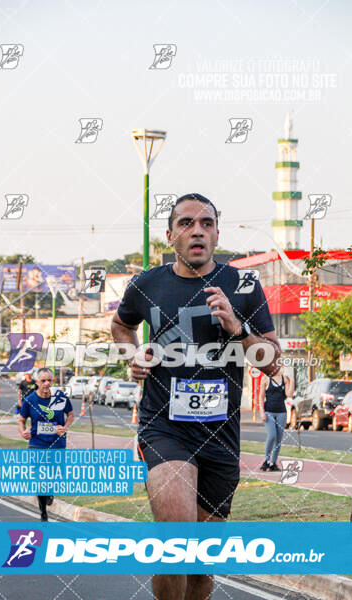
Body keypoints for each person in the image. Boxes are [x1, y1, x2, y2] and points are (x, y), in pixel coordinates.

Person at [111, 193, 281, 600]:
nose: (197, 230)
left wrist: (238, 329)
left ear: (218, 234)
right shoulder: (146, 284)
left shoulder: (243, 284)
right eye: (186, 223)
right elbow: (120, 326)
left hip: (220, 435)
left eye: (206, 222)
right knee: (175, 541)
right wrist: (131, 354)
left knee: (203, 566)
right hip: (164, 426)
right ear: (170, 235)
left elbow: (272, 361)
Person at [19, 368, 74, 521]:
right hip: (37, 443)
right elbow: (21, 420)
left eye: (49, 380)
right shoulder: (30, 400)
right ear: (37, 382)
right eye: (43, 381)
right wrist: (23, 432)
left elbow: (70, 414)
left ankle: (50, 491)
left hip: (57, 444)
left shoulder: (60, 397)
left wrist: (65, 427)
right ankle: (43, 512)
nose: (47, 383)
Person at [259, 367, 294, 471]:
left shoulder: (285, 379)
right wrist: (261, 411)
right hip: (268, 411)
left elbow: (289, 394)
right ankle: (266, 460)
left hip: (282, 412)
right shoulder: (266, 379)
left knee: (278, 439)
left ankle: (273, 463)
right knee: (272, 435)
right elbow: (261, 397)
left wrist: (292, 381)